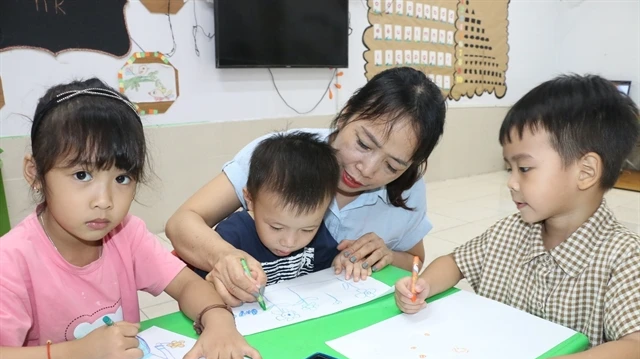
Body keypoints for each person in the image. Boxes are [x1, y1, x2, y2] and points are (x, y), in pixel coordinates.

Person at [395, 74, 640, 359]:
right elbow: (454, 262)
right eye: (509, 167)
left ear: (586, 171)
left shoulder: (623, 256)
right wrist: (425, 286)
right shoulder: (512, 231)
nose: (511, 182)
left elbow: (635, 350)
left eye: (524, 168)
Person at [0, 79, 263, 359]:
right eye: (82, 175)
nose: (105, 200)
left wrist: (218, 319)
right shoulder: (11, 260)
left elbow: (187, 284)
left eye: (122, 178)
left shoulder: (127, 234)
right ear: (35, 173)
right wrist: (77, 356)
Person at [166, 67, 447, 306]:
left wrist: (388, 255)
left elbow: (414, 262)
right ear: (347, 112)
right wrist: (223, 256)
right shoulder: (284, 156)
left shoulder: (407, 187)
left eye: (393, 166)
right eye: (363, 144)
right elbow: (182, 222)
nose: (367, 170)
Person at [193, 131, 341, 286]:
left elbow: (328, 269)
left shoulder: (319, 233)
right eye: (276, 227)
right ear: (250, 199)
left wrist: (341, 261)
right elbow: (202, 288)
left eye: (307, 230)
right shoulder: (232, 236)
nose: (289, 242)